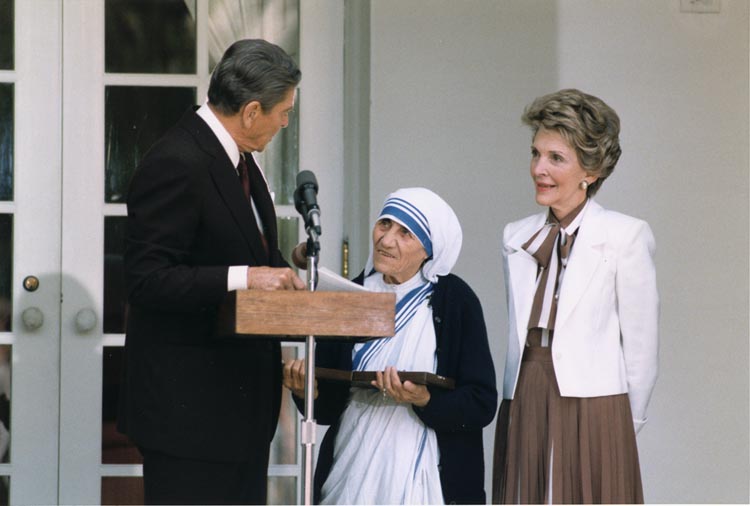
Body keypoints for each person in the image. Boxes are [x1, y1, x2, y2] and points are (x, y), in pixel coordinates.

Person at [117, 39, 306, 505]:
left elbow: (244, 249)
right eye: (283, 112)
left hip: (238, 416)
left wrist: (286, 266)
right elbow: (147, 279)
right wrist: (246, 276)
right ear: (251, 111)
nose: (285, 122)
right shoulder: (176, 161)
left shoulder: (241, 160)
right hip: (190, 421)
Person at [492, 89, 659, 504]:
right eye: (536, 154)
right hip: (525, 391)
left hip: (598, 402)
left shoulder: (626, 236)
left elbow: (641, 348)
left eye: (555, 158)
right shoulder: (515, 237)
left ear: (591, 170)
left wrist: (623, 421)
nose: (538, 169)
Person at [284, 188, 498, 504]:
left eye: (405, 233)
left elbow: (481, 402)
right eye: (384, 224)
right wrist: (306, 391)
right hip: (353, 463)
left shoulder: (457, 302)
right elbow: (328, 407)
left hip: (431, 473)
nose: (386, 240)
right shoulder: (349, 296)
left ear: (429, 249)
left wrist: (426, 399)